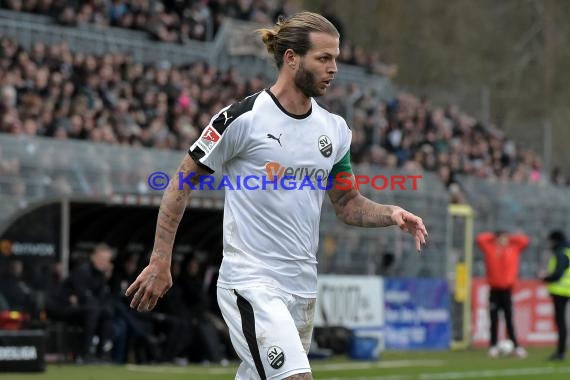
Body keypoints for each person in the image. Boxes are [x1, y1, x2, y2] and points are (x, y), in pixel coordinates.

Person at [126, 11, 428, 380]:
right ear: (291, 58)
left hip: (301, 286)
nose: (334, 68)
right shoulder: (243, 118)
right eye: (324, 58)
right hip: (251, 282)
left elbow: (347, 204)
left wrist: (390, 213)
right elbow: (181, 182)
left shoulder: (335, 130)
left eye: (335, 58)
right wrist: (160, 260)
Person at [476, 230, 529, 358]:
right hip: (494, 290)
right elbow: (480, 239)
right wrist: (494, 236)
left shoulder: (513, 247)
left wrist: (509, 237)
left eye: (505, 238)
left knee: (509, 319)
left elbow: (525, 240)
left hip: (507, 291)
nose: (503, 240)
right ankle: (493, 345)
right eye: (501, 238)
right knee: (494, 320)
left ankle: (516, 346)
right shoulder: (490, 248)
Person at [540, 230, 570, 361]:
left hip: (561, 291)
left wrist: (545, 278)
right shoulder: (567, 251)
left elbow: (558, 274)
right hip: (565, 290)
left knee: (561, 322)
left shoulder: (561, 253)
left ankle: (560, 352)